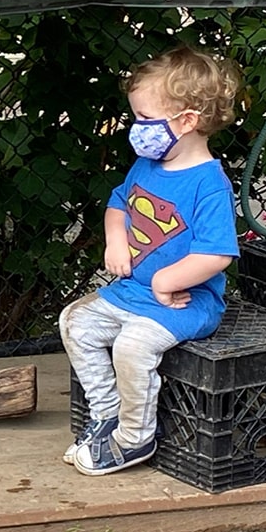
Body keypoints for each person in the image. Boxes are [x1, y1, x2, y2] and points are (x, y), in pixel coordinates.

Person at [59, 45, 241, 476]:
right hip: (132, 291)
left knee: (132, 346)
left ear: (187, 121)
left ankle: (134, 438)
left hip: (186, 302)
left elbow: (217, 255)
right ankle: (107, 414)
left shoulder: (209, 185)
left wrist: (166, 281)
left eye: (144, 120)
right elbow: (118, 204)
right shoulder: (147, 164)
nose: (136, 129)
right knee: (75, 321)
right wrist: (115, 239)